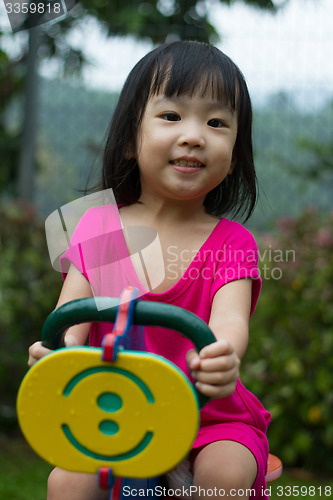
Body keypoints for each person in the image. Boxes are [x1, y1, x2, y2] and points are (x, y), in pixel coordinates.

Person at [28, 40, 271, 500]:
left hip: (209, 417)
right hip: (117, 408)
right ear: (127, 142)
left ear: (236, 153)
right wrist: (56, 352)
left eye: (217, 123)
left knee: (224, 474)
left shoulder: (232, 243)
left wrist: (222, 356)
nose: (194, 135)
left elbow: (230, 322)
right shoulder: (98, 225)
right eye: (172, 116)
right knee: (67, 481)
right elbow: (71, 317)